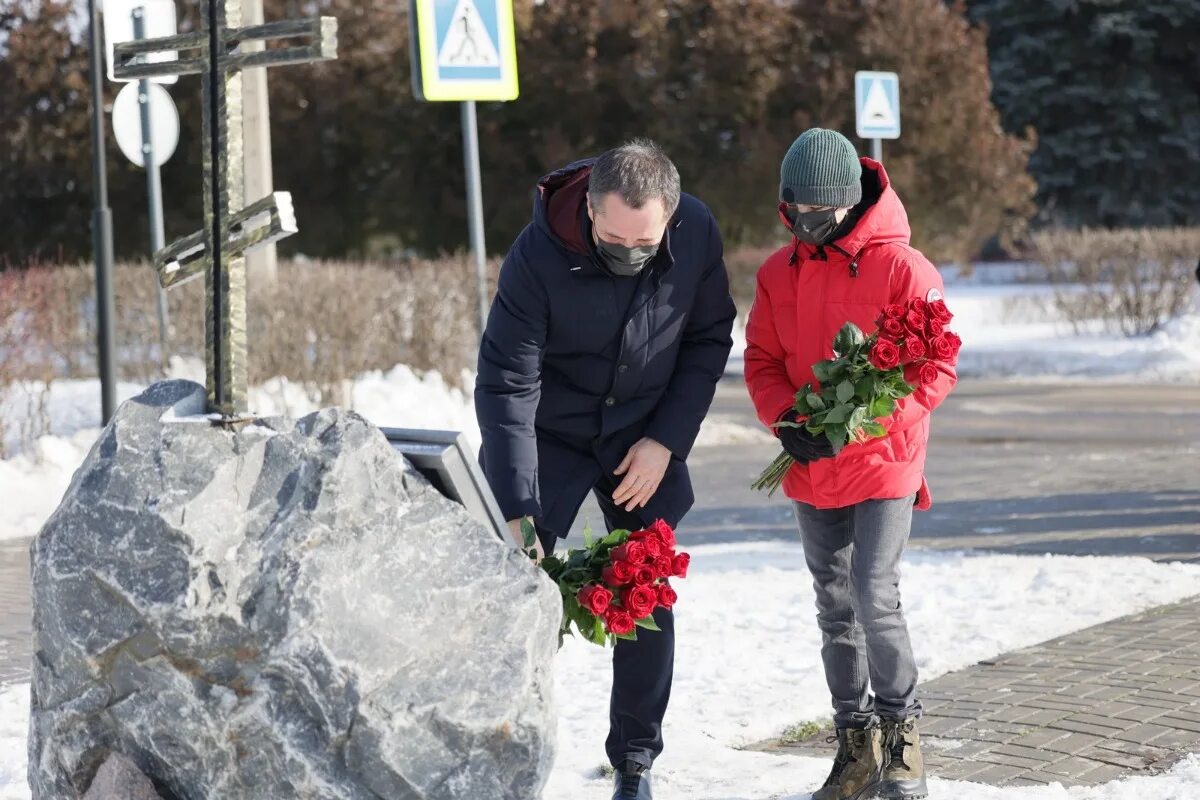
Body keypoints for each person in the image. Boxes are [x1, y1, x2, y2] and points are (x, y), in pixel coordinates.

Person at [476, 139, 736, 800]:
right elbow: (508, 385)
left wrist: (665, 442)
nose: (627, 253)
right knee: (517, 587)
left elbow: (707, 339)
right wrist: (518, 508)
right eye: (612, 238)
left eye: (643, 243)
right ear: (589, 209)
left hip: (641, 432)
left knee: (645, 589)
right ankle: (493, 747)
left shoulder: (697, 232)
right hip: (552, 434)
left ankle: (636, 760)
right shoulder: (537, 255)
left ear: (671, 219)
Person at [744, 128, 957, 800]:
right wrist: (785, 419)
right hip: (813, 461)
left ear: (849, 202)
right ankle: (854, 748)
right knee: (833, 606)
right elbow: (761, 361)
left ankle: (903, 743)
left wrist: (863, 422)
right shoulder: (779, 273)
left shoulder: (904, 268)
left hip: (884, 459)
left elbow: (935, 365)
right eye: (794, 214)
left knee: (874, 592)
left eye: (818, 215)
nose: (805, 227)